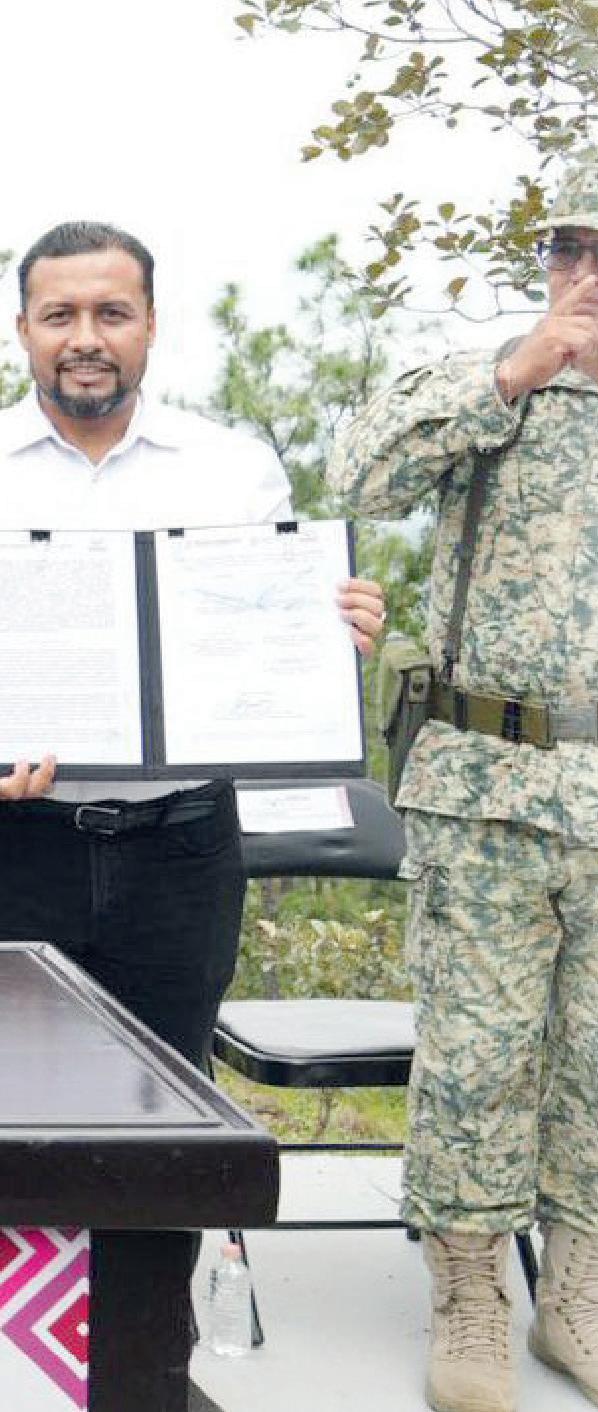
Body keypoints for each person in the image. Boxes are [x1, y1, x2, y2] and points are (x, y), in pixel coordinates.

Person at [0, 220, 386, 1412]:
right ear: (23, 329)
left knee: (161, 1135)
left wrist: (326, 637)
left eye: (111, 312)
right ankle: (21, 1372)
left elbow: (265, 636)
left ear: (152, 324)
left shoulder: (231, 468)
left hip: (178, 850)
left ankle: (139, 1379)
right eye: (60, 314)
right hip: (16, 843)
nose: (86, 338)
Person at [327, 148, 598, 1412]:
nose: (585, 273)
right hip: (488, 783)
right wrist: (515, 370)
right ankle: (472, 1290)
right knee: (477, 1056)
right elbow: (358, 472)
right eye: (570, 249)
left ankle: (576, 1287)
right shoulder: (492, 378)